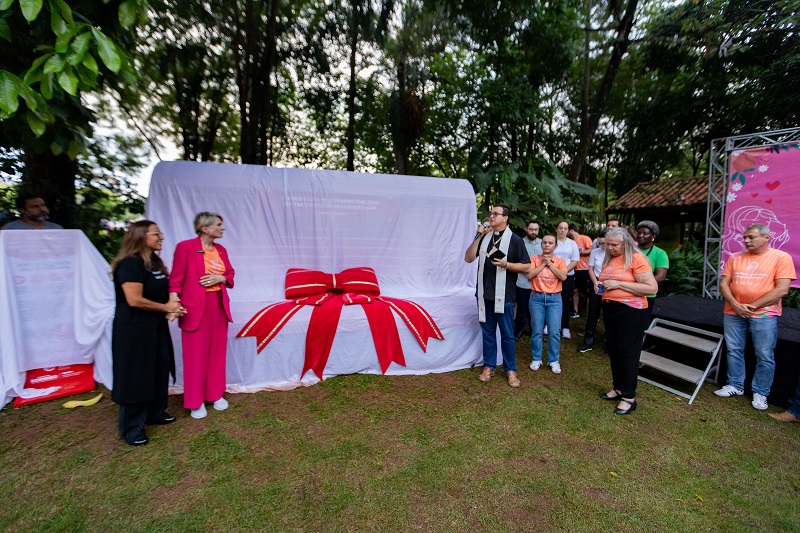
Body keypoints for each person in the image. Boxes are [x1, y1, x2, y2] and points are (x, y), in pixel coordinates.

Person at [110, 220, 185, 446]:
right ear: (141, 237)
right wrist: (166, 308)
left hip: (155, 327)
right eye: (156, 234)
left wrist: (175, 305)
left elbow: (164, 292)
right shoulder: (130, 264)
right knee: (136, 376)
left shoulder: (153, 261)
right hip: (134, 330)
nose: (161, 237)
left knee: (159, 368)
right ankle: (132, 427)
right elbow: (134, 300)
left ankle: (155, 413)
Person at [714, 223, 795, 411]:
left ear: (766, 238)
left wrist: (752, 306)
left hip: (764, 314)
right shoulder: (735, 257)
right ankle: (735, 385)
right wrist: (736, 304)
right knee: (734, 349)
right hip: (733, 310)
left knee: (764, 354)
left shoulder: (781, 257)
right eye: (744, 237)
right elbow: (724, 283)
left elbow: (782, 289)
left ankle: (761, 392)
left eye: (751, 237)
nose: (746, 240)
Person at [169, 212, 236, 419]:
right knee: (195, 356)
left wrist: (221, 278)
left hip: (218, 306)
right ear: (205, 228)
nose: (223, 228)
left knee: (217, 352)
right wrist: (174, 301)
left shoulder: (221, 250)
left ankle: (215, 394)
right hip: (195, 308)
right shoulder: (185, 247)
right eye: (219, 225)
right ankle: (195, 401)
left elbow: (231, 274)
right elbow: (175, 278)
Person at [465, 205, 530, 387]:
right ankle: (489, 366)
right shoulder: (484, 237)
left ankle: (510, 370)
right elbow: (468, 258)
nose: (491, 216)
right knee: (488, 332)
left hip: (505, 296)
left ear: (506, 218)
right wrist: (479, 236)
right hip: (484, 294)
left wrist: (506, 264)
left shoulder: (515, 240)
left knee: (508, 334)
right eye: (491, 213)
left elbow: (527, 267)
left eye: (496, 214)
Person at [598, 227, 658, 415]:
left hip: (630, 311)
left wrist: (618, 284)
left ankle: (629, 397)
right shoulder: (612, 258)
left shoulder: (637, 259)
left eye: (614, 244)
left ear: (626, 243)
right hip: (611, 308)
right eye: (607, 244)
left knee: (627, 352)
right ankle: (618, 388)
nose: (609, 248)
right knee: (614, 350)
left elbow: (651, 287)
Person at [527, 235, 568, 374]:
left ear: (555, 246)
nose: (547, 245)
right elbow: (529, 275)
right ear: (541, 244)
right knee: (537, 330)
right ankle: (536, 358)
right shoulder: (534, 259)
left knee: (554, 331)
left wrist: (550, 264)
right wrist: (543, 264)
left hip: (554, 299)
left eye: (550, 243)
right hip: (536, 297)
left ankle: (553, 360)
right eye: (544, 242)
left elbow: (563, 276)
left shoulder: (560, 261)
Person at [636, 220, 669, 323]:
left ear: (653, 236)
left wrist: (639, 285)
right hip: (627, 293)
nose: (641, 235)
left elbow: (661, 276)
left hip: (646, 295)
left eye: (645, 233)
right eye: (639, 233)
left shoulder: (660, 253)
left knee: (641, 323)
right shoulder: (631, 250)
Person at [579, 230, 606, 353]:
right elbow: (590, 268)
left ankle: (609, 342)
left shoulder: (615, 253)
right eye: (599, 243)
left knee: (608, 315)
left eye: (604, 243)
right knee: (593, 313)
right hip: (597, 283)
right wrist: (595, 282)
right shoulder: (595, 252)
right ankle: (588, 341)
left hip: (611, 286)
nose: (602, 246)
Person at [515, 220, 542, 340]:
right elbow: (516, 262)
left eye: (536, 230)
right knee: (522, 308)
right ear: (526, 229)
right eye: (531, 229)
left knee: (536, 310)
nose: (533, 232)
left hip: (539, 283)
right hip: (522, 283)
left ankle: (534, 331)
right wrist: (527, 271)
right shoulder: (519, 242)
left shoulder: (543, 243)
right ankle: (519, 330)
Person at [553, 221, 579, 339]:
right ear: (556, 229)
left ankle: (565, 327)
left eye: (565, 228)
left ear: (568, 230)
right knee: (552, 300)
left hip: (568, 275)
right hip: (552, 275)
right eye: (560, 228)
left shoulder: (572, 243)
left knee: (565, 300)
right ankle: (550, 325)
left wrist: (563, 271)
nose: (563, 230)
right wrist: (556, 271)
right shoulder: (552, 241)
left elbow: (574, 260)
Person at [568, 223, 593, 318]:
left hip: (584, 269)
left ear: (571, 230)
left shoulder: (584, 238)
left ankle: (591, 313)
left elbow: (591, 250)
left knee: (588, 291)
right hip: (574, 269)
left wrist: (580, 252)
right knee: (575, 290)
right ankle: (575, 311)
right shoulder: (570, 242)